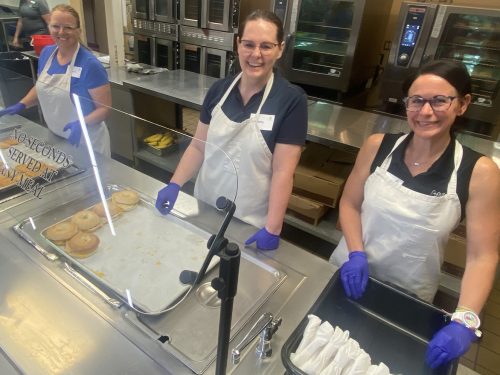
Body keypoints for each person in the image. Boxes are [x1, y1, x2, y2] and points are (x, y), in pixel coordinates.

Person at [330, 59, 499, 368]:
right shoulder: (377, 146)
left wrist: (465, 320)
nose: (425, 112)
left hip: (407, 298)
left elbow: (482, 256)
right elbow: (350, 205)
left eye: (440, 100)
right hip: (348, 275)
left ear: (462, 104)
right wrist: (356, 254)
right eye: (416, 101)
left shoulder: (479, 172)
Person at [155, 9, 308, 250]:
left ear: (280, 49)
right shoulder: (219, 90)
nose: (255, 55)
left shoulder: (291, 101)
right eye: (249, 44)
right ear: (238, 45)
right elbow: (198, 147)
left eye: (266, 46)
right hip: (204, 203)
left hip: (248, 219)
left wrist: (273, 227)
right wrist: (175, 184)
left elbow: (282, 172)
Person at [0, 4, 111, 156]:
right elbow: (43, 86)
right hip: (56, 136)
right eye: (55, 26)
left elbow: (104, 109)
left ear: (78, 31)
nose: (61, 32)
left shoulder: (90, 65)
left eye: (68, 27)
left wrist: (82, 123)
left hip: (87, 140)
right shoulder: (46, 53)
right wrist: (22, 103)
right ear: (49, 27)